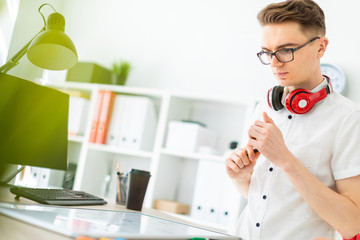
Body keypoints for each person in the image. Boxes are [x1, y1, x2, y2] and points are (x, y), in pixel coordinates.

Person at [225, 0, 360, 239]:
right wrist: (241, 177)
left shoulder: (349, 120)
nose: (274, 63)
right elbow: (267, 199)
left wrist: (284, 158)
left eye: (286, 50)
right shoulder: (266, 107)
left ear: (320, 47)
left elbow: (353, 224)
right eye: (268, 53)